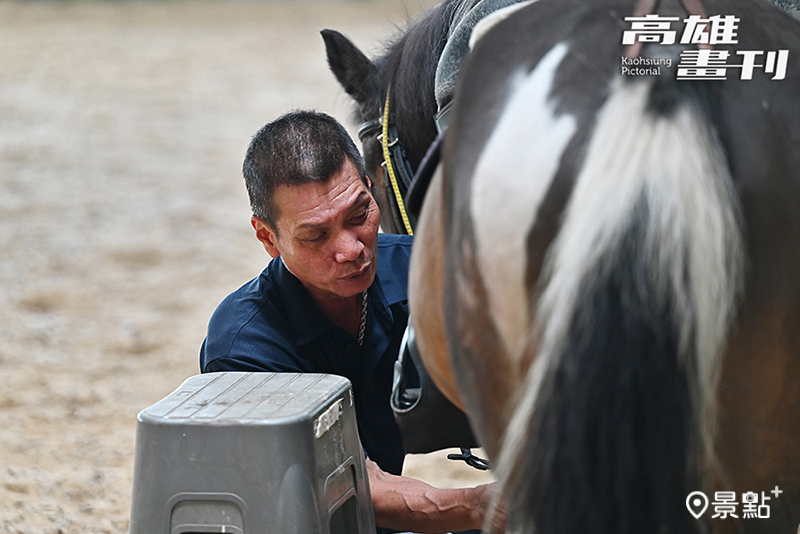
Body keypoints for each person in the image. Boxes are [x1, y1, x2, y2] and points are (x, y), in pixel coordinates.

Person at [200, 110, 504, 534]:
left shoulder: (423, 272)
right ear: (268, 238)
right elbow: (340, 485)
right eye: (316, 236)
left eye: (359, 215)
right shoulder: (245, 344)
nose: (351, 249)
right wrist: (476, 506)